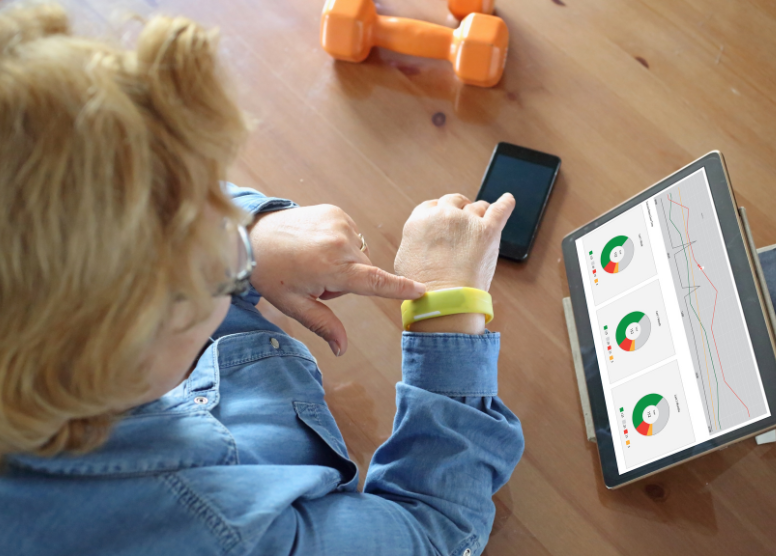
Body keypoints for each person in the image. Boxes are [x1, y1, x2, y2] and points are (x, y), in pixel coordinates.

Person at [0, 4, 524, 555]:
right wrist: (445, 313)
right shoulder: (211, 532)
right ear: (123, 348)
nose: (232, 228)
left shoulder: (51, 322)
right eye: (213, 260)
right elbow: (433, 530)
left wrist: (260, 231)